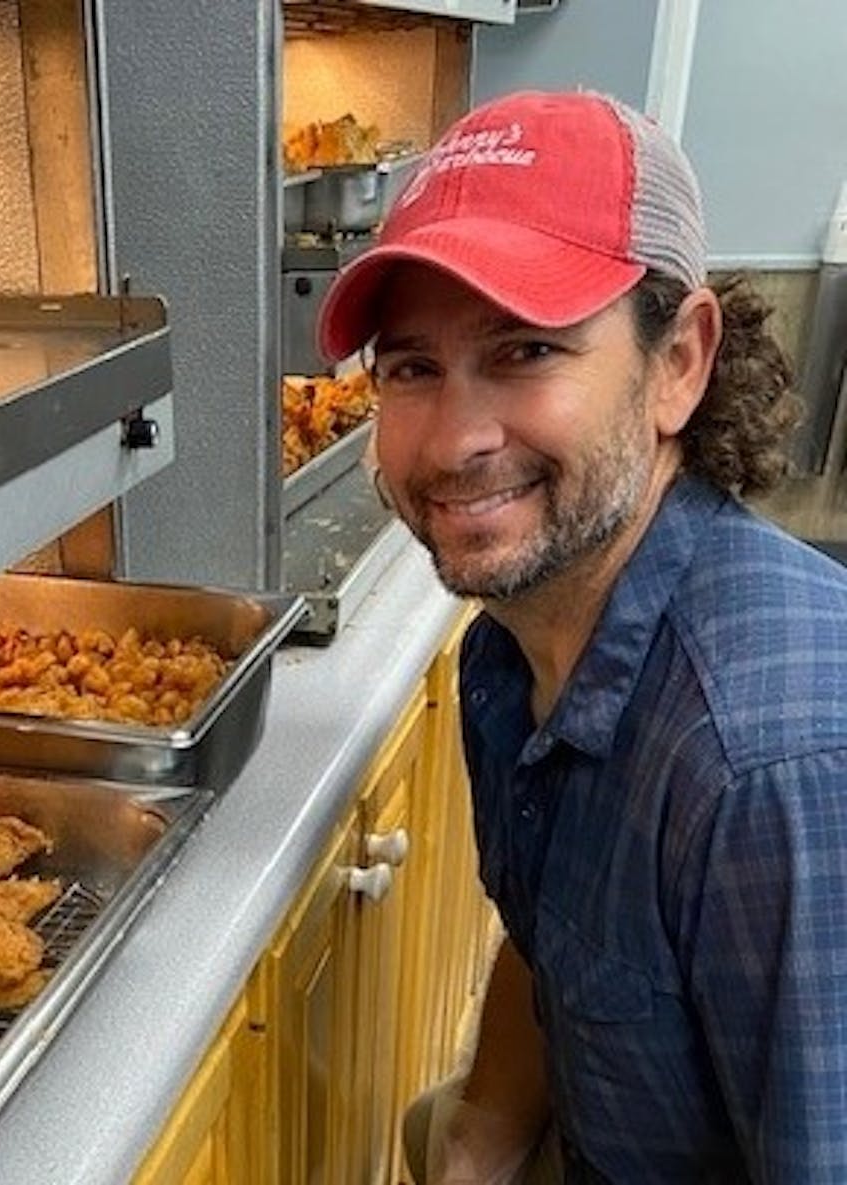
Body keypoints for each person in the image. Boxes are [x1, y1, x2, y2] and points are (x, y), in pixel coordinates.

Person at [316, 88, 847, 1183]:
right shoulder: (511, 652)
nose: (458, 439)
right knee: (428, 1132)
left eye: (525, 351)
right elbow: (556, 946)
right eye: (413, 367)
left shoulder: (769, 772)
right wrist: (476, 1150)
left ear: (680, 364)